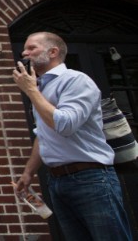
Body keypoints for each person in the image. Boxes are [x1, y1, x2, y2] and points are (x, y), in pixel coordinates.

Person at [13, 32, 133, 241]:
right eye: (25, 48)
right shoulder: (41, 87)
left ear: (53, 52)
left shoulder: (76, 80)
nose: (24, 53)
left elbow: (64, 124)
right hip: (58, 181)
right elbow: (43, 134)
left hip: (91, 178)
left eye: (32, 48)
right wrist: (28, 173)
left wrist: (31, 91)